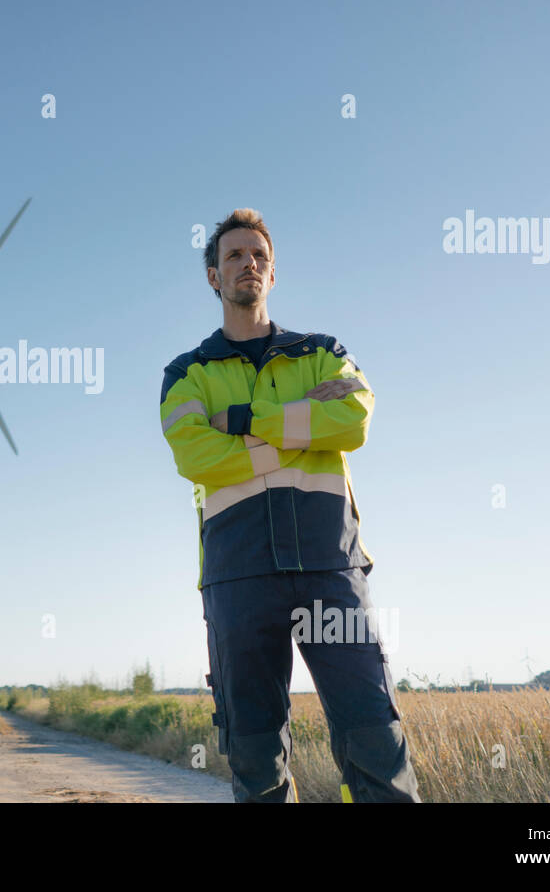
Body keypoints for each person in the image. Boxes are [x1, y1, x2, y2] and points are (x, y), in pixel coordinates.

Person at [159, 207, 421, 803]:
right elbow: (196, 457)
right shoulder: (187, 373)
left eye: (258, 256)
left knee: (374, 735)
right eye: (233, 256)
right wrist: (303, 434)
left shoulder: (323, 353)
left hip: (330, 568)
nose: (246, 264)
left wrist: (246, 423)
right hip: (239, 575)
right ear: (212, 276)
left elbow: (352, 421)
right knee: (255, 755)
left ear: (272, 274)